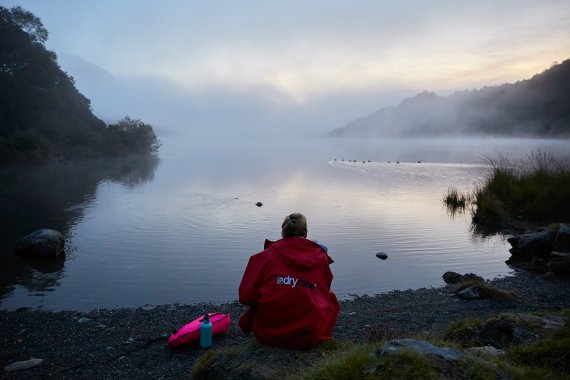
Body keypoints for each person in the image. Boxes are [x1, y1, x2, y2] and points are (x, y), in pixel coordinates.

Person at [238, 213, 340, 350]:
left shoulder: (264, 257)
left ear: (283, 232)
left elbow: (245, 296)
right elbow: (324, 288)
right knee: (330, 298)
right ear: (305, 233)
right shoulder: (321, 258)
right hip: (308, 336)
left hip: (268, 334)